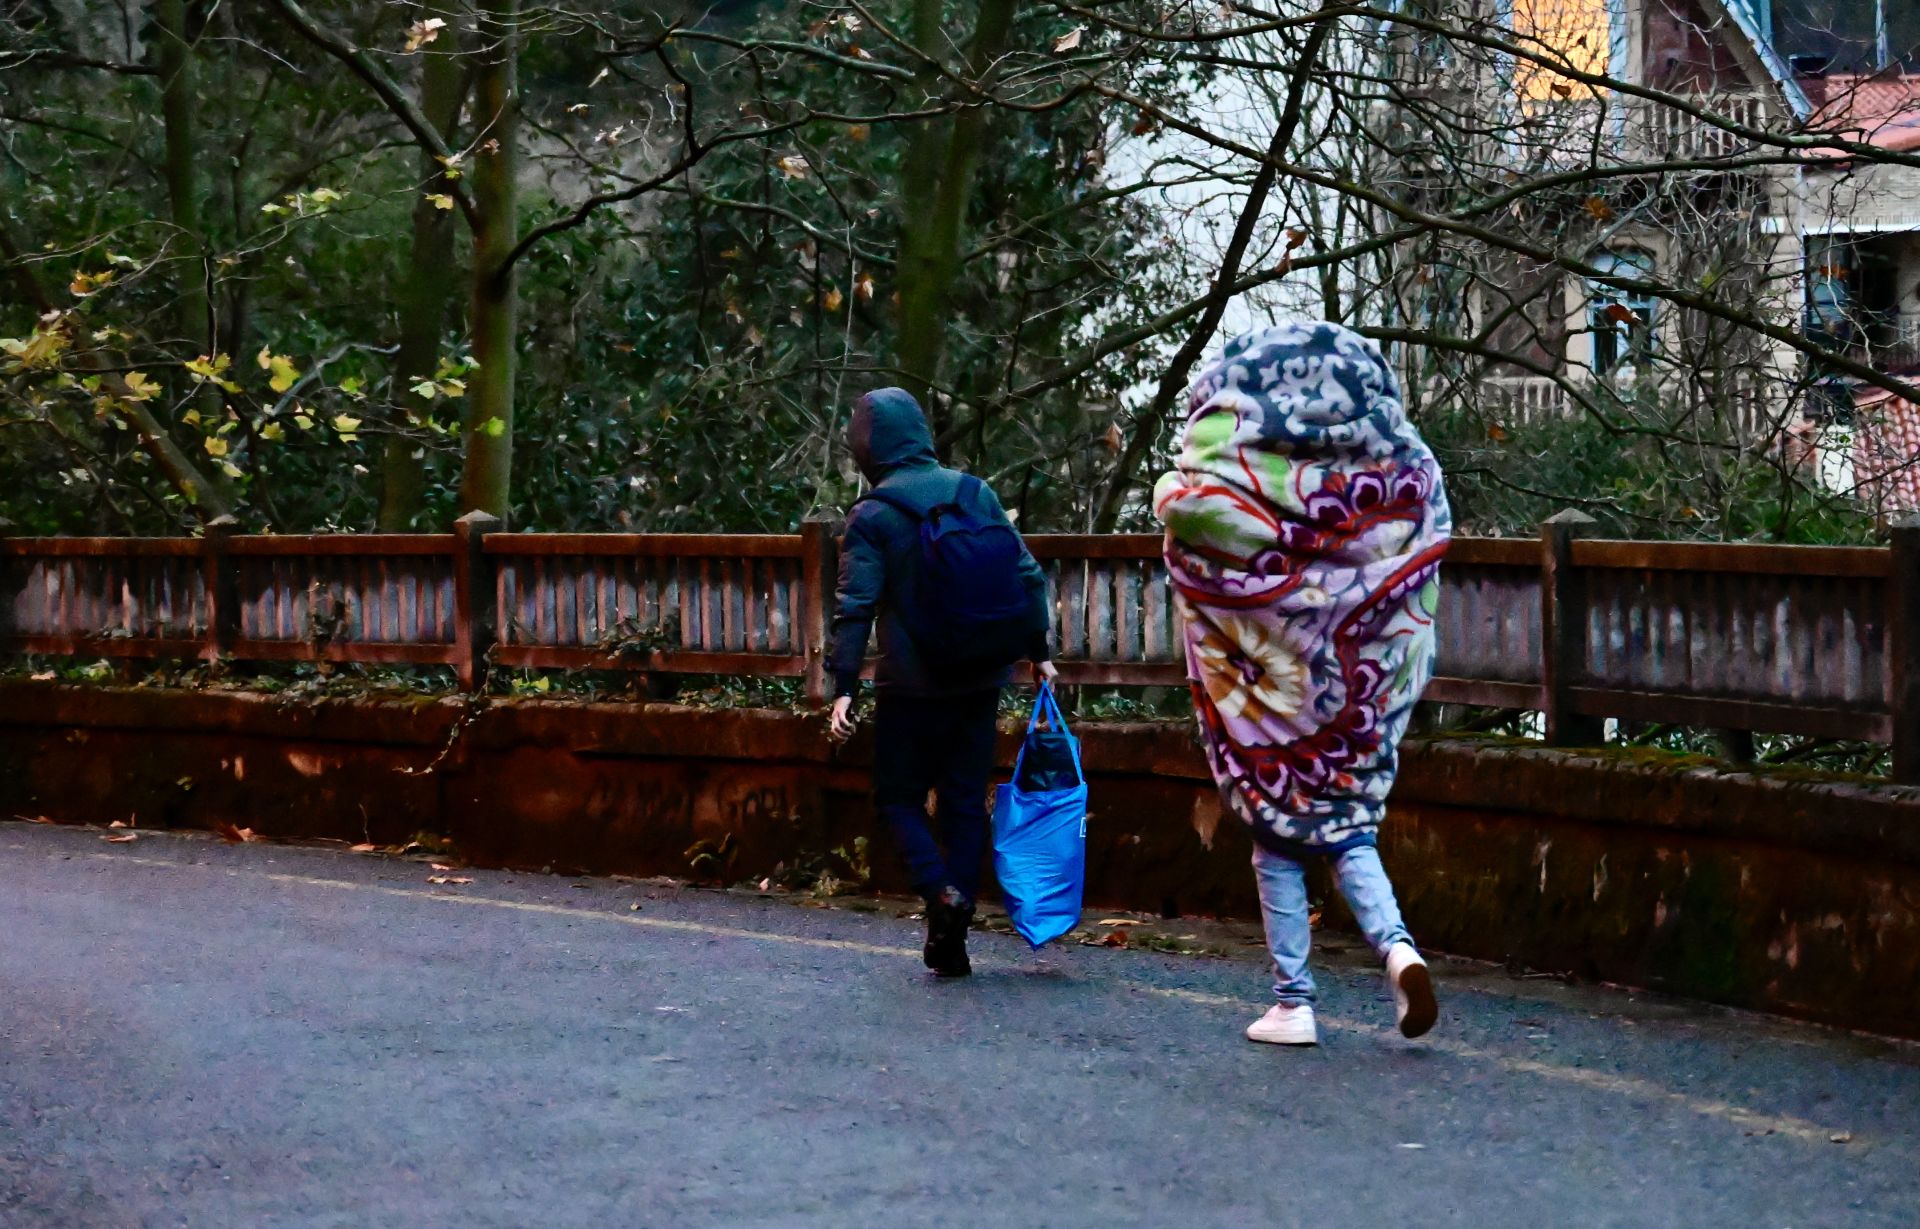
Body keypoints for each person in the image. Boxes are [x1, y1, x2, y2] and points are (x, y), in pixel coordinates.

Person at [1153, 321, 1449, 1046]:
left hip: (1264, 700)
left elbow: (1191, 528)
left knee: (1273, 838)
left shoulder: (1230, 469)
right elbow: (1417, 544)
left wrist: (1169, 493)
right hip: (1353, 699)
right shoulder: (1398, 464)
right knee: (1350, 831)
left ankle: (1293, 1001)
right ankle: (1397, 947)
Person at [825, 387, 1055, 978]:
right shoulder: (974, 492)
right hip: (980, 677)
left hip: (911, 684)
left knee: (898, 798)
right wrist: (1039, 652)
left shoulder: (872, 515)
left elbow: (855, 605)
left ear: (867, 447)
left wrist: (843, 684)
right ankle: (952, 935)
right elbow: (1027, 575)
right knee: (961, 801)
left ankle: (940, 896)